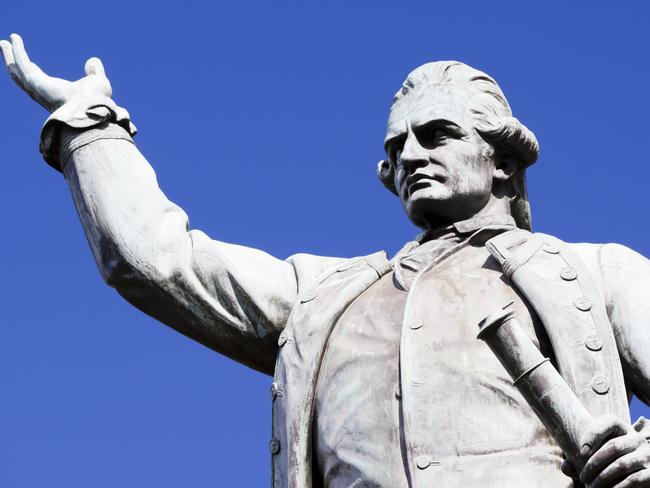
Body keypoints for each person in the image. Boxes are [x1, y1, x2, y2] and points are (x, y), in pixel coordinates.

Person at [2, 33, 650, 487]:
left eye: (440, 134)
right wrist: (89, 125)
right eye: (398, 148)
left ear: (503, 161)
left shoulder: (594, 274)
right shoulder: (324, 298)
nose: (414, 156)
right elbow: (158, 262)